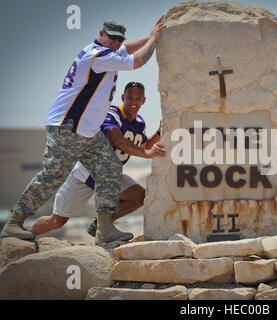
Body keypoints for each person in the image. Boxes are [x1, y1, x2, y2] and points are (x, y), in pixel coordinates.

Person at [0, 17, 167, 244]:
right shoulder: (99, 55)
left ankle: (104, 229)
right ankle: (13, 223)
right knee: (52, 176)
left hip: (87, 133)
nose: (115, 43)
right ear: (101, 34)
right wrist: (155, 39)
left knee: (110, 169)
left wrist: (150, 37)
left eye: (118, 39)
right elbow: (137, 61)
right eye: (111, 37)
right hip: (68, 127)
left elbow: (125, 49)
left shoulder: (107, 52)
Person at [30, 82, 167, 242]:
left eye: (138, 99)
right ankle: (25, 237)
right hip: (86, 173)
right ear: (123, 97)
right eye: (130, 98)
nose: (133, 102)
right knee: (57, 221)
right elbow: (119, 142)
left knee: (139, 197)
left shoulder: (140, 123)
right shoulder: (111, 114)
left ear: (143, 101)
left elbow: (143, 146)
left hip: (109, 175)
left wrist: (159, 132)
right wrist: (149, 154)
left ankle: (100, 225)